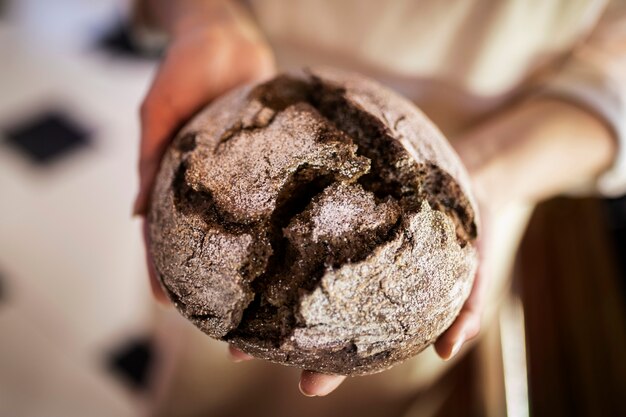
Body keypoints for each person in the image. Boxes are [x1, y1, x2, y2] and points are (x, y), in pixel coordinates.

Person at [133, 0, 625, 399]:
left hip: (452, 216)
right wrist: (206, 18)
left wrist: (482, 178)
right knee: (203, 387)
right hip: (237, 117)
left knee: (361, 403)